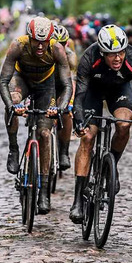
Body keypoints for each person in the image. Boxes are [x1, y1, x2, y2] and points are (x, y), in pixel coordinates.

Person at [70, 24, 132, 224]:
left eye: (121, 53)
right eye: (112, 54)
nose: (117, 58)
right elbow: (79, 97)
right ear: (102, 52)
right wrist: (79, 121)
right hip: (93, 92)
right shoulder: (89, 58)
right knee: (88, 137)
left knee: (124, 124)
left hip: (119, 90)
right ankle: (78, 200)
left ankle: (111, 165)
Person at [0, 17, 72, 214]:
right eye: (36, 41)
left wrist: (60, 108)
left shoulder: (57, 49)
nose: (40, 46)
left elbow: (66, 85)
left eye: (44, 41)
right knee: (13, 101)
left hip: (46, 86)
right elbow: (3, 81)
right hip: (22, 80)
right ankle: (13, 149)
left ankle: (44, 192)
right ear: (28, 37)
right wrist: (12, 107)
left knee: (45, 134)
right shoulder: (18, 46)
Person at [52, 24, 77, 170]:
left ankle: (64, 152)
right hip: (44, 86)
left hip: (62, 86)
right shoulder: (42, 52)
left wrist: (70, 101)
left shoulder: (70, 56)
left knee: (66, 113)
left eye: (62, 43)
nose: (59, 47)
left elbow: (71, 82)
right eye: (56, 43)